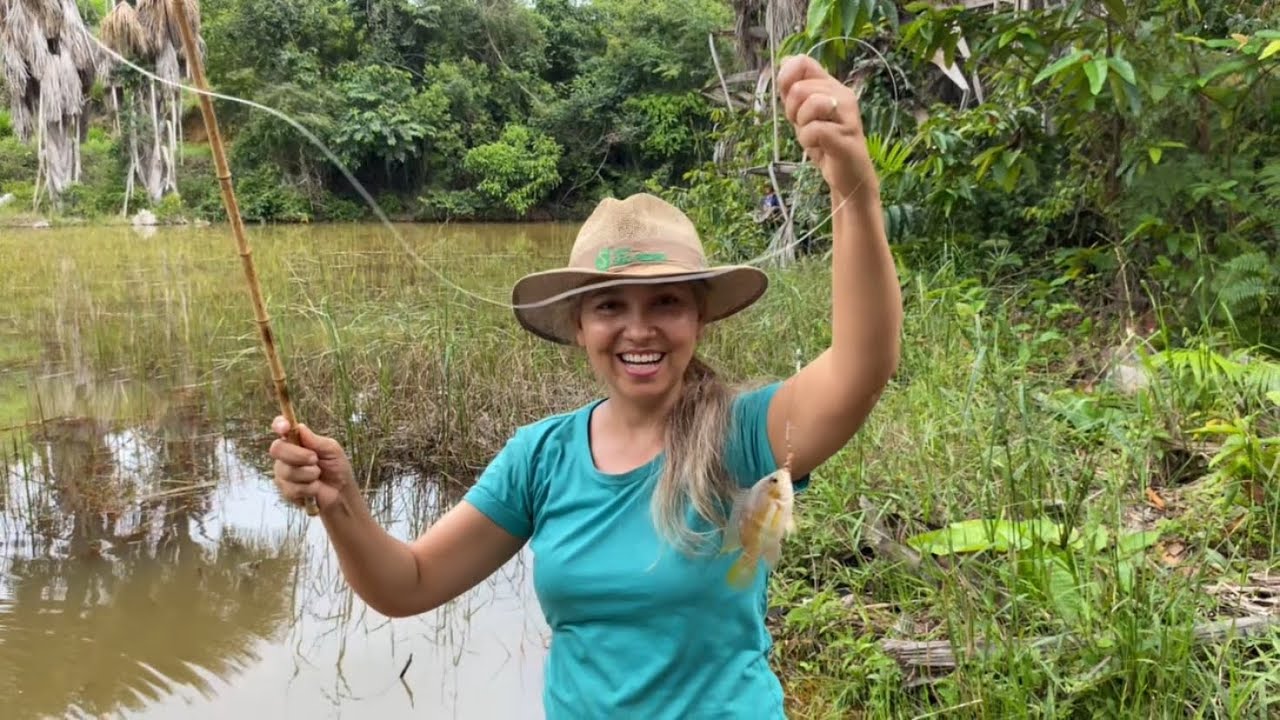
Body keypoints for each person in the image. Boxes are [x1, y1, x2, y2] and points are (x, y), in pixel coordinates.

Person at [269, 55, 902, 719]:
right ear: (578, 326)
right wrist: (340, 501)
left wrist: (853, 187)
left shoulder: (744, 436)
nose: (639, 330)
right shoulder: (539, 458)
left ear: (700, 318)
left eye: (665, 303)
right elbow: (410, 583)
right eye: (609, 307)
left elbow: (864, 363)